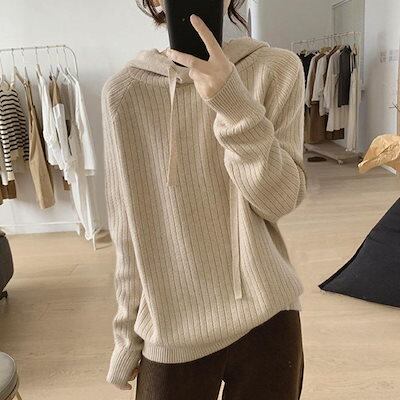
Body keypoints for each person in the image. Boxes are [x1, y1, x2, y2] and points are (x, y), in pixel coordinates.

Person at [102, 0, 308, 398]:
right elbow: (127, 231)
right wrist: (126, 336)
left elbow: (279, 200)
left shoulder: (277, 69)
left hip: (268, 315)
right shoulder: (124, 94)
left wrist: (233, 104)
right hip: (171, 327)